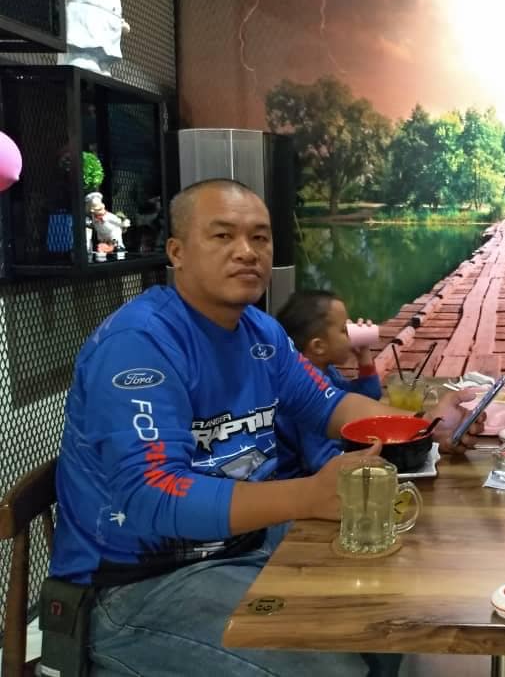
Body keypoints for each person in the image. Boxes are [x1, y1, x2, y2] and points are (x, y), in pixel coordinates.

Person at [47, 179, 482, 677]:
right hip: (133, 586)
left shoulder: (261, 332)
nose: (246, 251)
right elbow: (152, 495)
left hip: (247, 545)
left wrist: (427, 427)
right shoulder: (139, 344)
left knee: (390, 612)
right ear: (177, 252)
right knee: (335, 671)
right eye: (223, 236)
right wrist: (309, 496)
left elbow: (331, 406)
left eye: (259, 237)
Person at [274, 289, 382, 477]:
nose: (351, 335)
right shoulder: (305, 393)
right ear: (319, 347)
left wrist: (364, 357)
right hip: (299, 483)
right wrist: (372, 461)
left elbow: (363, 401)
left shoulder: (326, 371)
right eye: (344, 330)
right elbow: (321, 461)